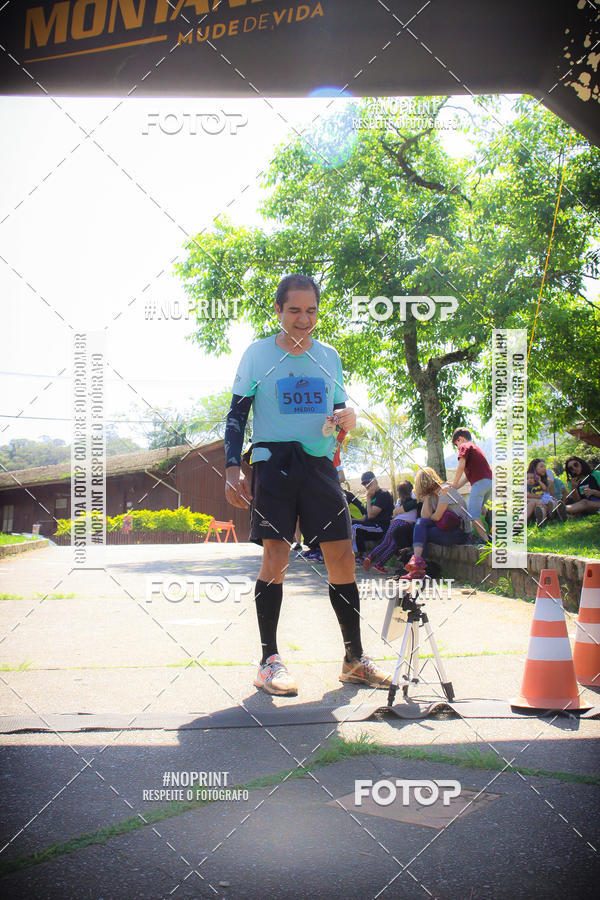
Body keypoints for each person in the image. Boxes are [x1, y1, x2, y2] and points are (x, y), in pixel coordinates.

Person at [224, 273, 392, 695]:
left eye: (311, 310)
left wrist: (346, 419)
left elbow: (337, 414)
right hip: (273, 463)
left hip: (319, 467)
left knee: (342, 558)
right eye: (295, 310)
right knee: (276, 559)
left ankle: (354, 659)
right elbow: (236, 416)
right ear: (278, 310)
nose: (304, 319)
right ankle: (269, 662)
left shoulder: (329, 356)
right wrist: (232, 468)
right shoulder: (257, 355)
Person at [404, 467, 471, 579]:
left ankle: (417, 567)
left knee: (422, 532)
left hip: (460, 533)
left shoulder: (445, 490)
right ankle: (417, 564)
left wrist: (431, 516)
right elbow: (425, 517)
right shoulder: (432, 496)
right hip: (445, 529)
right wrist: (426, 499)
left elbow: (437, 516)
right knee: (420, 523)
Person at [363, 480, 419, 574]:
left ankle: (370, 556)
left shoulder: (399, 501)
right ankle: (379, 564)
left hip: (395, 522)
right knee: (393, 546)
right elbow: (418, 500)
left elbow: (394, 513)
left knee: (385, 543)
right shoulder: (413, 497)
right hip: (404, 524)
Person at [450, 428, 492, 542]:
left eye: (456, 444)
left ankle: (487, 541)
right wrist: (454, 486)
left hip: (479, 484)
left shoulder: (465, 446)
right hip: (489, 482)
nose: (457, 448)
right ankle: (489, 515)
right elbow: (467, 477)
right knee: (479, 507)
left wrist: (453, 482)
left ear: (461, 439)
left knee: (472, 514)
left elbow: (461, 466)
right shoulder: (475, 449)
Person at [352, 471, 394, 562]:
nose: (366, 486)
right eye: (364, 484)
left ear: (374, 481)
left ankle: (362, 555)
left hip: (379, 528)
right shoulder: (372, 495)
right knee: (350, 524)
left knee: (354, 527)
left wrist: (368, 497)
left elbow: (371, 515)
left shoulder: (383, 494)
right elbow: (364, 518)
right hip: (370, 526)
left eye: (368, 483)